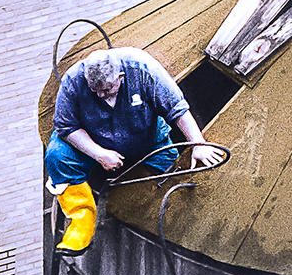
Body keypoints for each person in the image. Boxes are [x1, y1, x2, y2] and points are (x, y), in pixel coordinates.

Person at [45, 48, 225, 253]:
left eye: (107, 89)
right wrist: (98, 153)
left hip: (144, 139)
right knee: (56, 155)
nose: (100, 95)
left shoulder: (144, 69)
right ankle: (82, 220)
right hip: (91, 141)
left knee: (171, 170)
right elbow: (65, 127)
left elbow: (177, 108)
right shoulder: (73, 80)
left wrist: (197, 143)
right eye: (95, 90)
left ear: (120, 76)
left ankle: (163, 220)